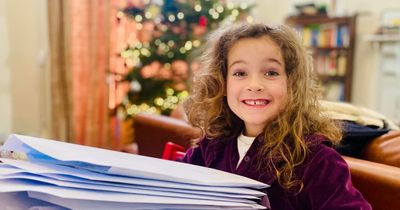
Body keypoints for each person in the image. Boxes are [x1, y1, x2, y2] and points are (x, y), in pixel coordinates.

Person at [180, 23, 372, 209]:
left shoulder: (319, 161)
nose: (254, 85)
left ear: (292, 84)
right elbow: (171, 186)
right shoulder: (212, 146)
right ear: (222, 83)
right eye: (240, 73)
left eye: (271, 72)